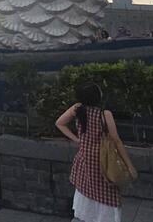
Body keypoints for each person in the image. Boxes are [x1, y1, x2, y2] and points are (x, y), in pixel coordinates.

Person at [56, 82, 135, 222]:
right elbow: (116, 141)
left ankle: (88, 217)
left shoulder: (77, 109)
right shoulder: (104, 114)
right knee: (106, 193)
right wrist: (130, 166)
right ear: (97, 97)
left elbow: (59, 123)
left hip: (84, 159)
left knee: (87, 190)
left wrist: (77, 139)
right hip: (103, 162)